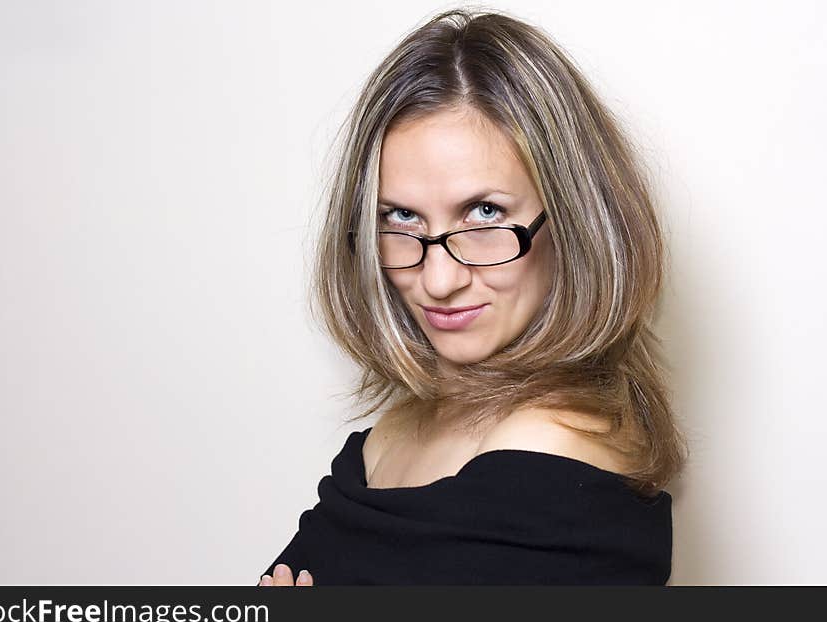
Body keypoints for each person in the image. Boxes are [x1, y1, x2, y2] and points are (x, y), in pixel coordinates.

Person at [257, 7, 688, 586]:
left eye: (485, 212)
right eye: (402, 217)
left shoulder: (550, 454)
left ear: (576, 221)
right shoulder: (394, 432)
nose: (438, 280)